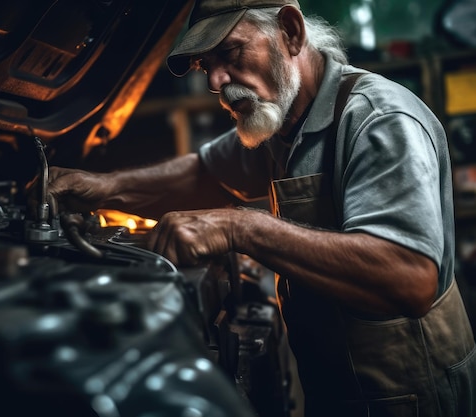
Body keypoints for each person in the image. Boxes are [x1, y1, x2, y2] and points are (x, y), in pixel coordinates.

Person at [38, 0, 476, 416]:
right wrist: (102, 186)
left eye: (229, 52)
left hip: (412, 393)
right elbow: (202, 174)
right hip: (339, 387)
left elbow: (410, 277)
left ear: (290, 30)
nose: (215, 82)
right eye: (204, 65)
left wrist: (242, 228)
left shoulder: (378, 120)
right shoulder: (278, 116)